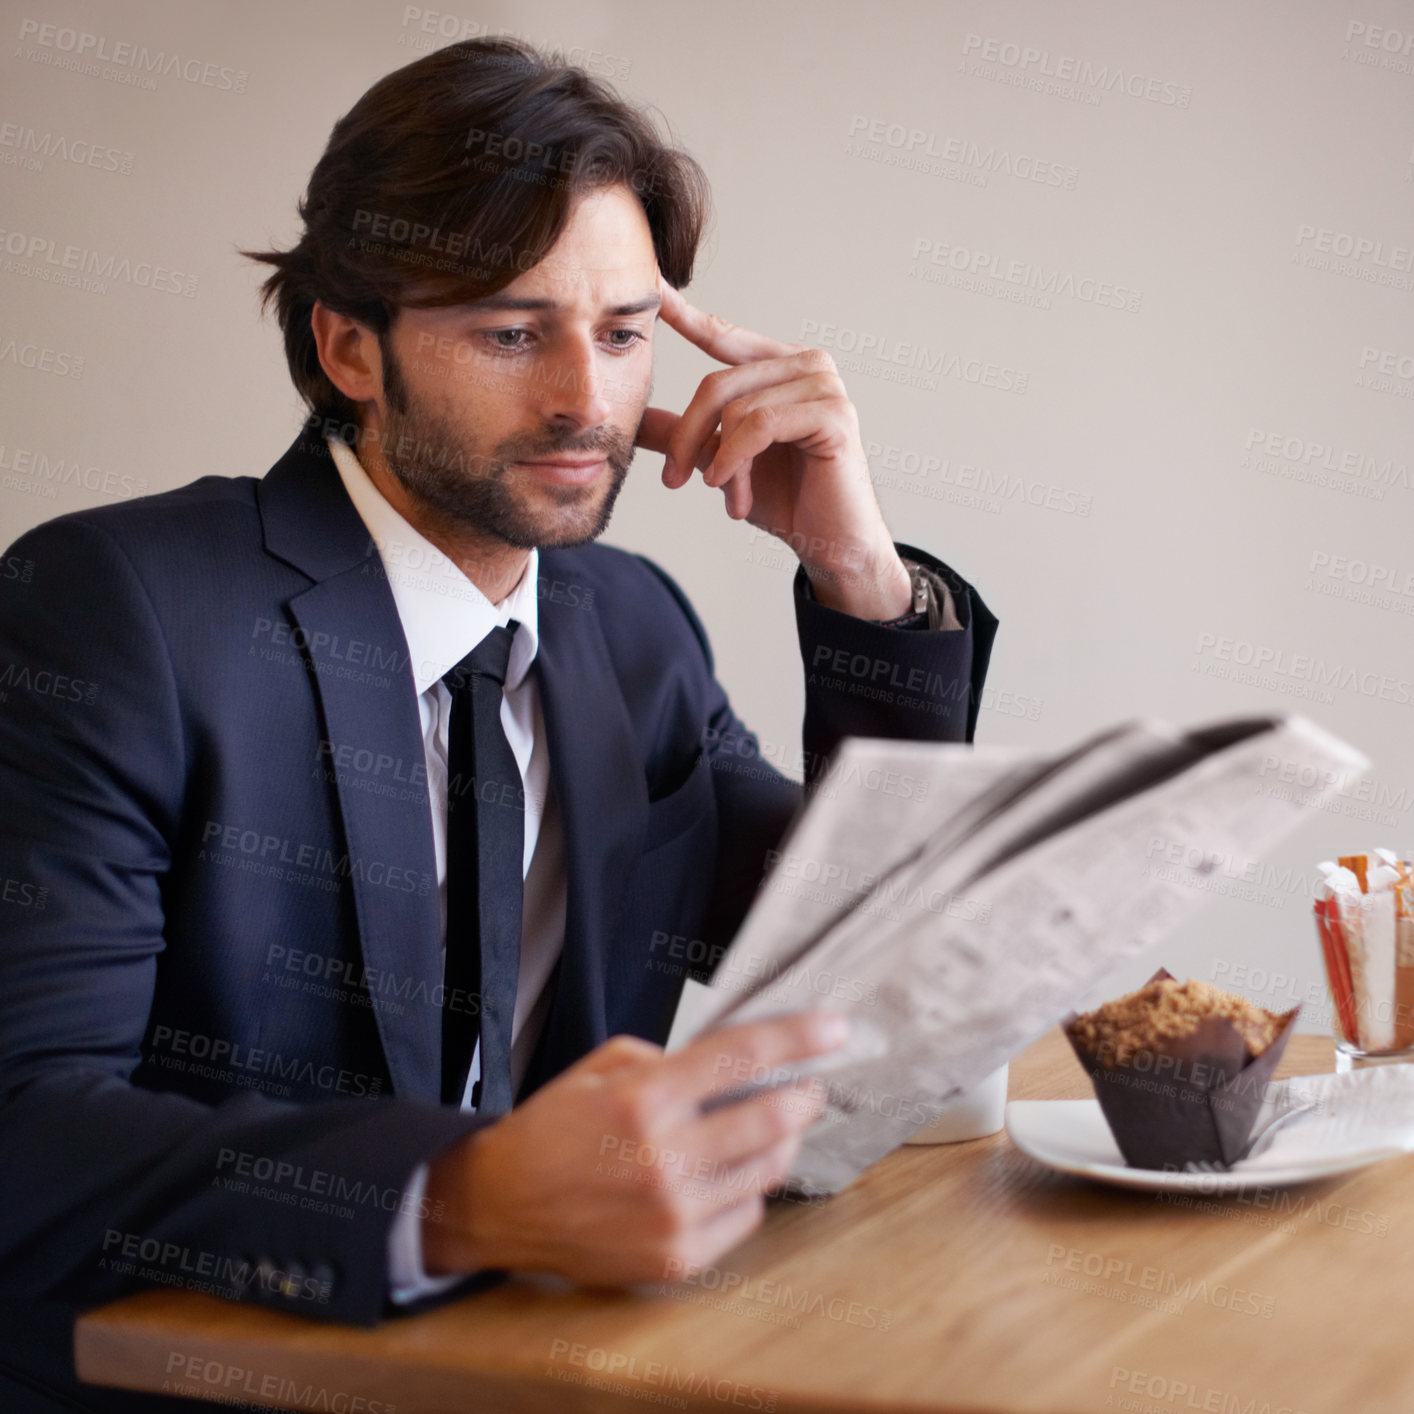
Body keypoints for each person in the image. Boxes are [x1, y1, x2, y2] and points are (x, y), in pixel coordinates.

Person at [0, 37, 996, 1412]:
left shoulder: (628, 625)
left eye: (626, 331)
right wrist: (460, 1198)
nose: (589, 399)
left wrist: (863, 586)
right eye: (512, 331)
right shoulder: (119, 606)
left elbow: (867, 939)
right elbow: (28, 1129)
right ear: (348, 345)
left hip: (564, 1364)